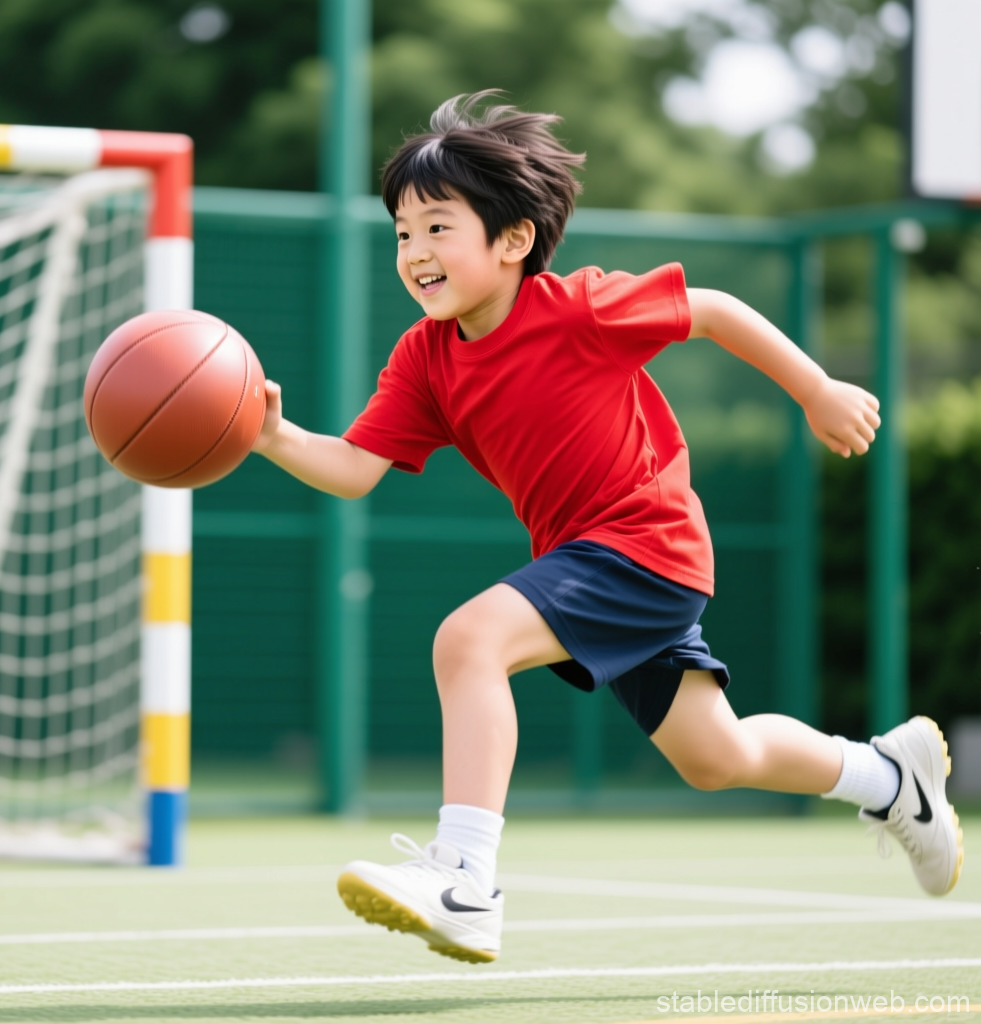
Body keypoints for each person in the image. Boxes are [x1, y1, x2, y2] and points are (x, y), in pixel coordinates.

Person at [252, 91, 963, 964]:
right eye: (402, 232)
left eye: (438, 227)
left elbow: (710, 309)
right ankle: (890, 778)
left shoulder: (578, 309)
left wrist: (816, 388)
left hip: (644, 544)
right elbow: (355, 470)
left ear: (512, 241)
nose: (415, 251)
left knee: (467, 641)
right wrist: (270, 434)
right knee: (715, 754)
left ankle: (466, 879)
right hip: (600, 562)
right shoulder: (425, 359)